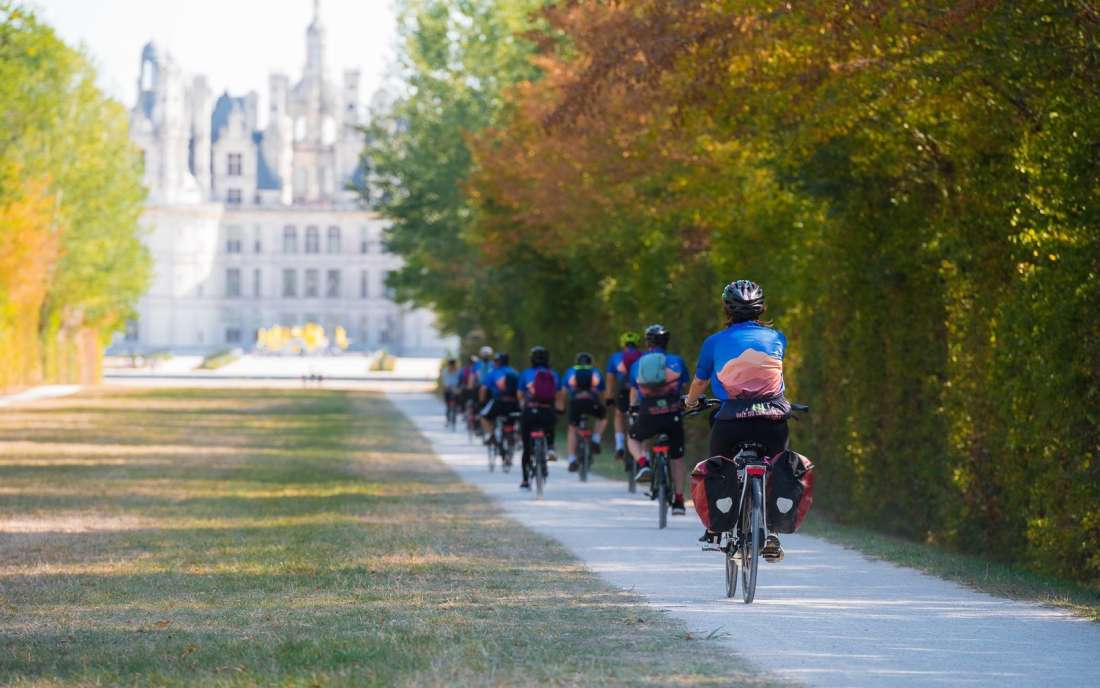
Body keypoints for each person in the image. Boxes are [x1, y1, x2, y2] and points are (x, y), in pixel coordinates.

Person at [684, 279, 790, 561]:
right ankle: (773, 532)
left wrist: (690, 401)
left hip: (731, 420)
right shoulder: (778, 338)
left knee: (717, 466)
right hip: (773, 417)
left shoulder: (714, 342)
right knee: (777, 465)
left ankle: (717, 530)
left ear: (726, 310)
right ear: (762, 308)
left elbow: (701, 381)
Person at [628, 324, 690, 515]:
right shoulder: (677, 361)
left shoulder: (638, 364)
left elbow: (634, 392)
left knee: (633, 437)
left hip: (648, 411)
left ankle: (643, 464)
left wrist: (633, 410)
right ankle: (679, 500)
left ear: (648, 343)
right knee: (677, 457)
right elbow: (685, 387)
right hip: (672, 411)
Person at [517, 346, 560, 490]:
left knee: (526, 448)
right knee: (550, 425)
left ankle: (525, 481)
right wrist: (559, 408)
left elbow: (519, 395)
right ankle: (551, 447)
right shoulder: (552, 373)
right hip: (547, 412)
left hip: (529, 412)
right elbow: (558, 394)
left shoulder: (525, 374)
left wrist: (523, 405)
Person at [561, 352, 608, 472]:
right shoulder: (595, 371)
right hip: (591, 403)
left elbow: (564, 391)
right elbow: (602, 391)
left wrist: (563, 405)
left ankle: (571, 459)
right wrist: (602, 405)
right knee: (603, 418)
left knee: (572, 428)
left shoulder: (571, 371)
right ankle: (596, 439)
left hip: (576, 403)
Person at [605, 331, 643, 462]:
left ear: (623, 344)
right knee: (641, 415)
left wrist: (609, 396)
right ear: (638, 344)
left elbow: (610, 379)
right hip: (639, 389)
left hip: (623, 389)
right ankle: (644, 452)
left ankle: (620, 445)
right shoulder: (643, 355)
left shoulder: (616, 357)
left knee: (619, 414)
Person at [479, 352, 521, 442]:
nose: (493, 363)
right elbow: (520, 390)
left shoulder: (493, 372)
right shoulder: (514, 372)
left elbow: (483, 389)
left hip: (498, 403)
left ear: (498, 362)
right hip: (513, 404)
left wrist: (482, 402)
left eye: (495, 361)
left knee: (483, 416)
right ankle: (517, 437)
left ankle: (490, 434)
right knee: (518, 418)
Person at [441, 358, 461, 423]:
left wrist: (458, 388)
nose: (452, 366)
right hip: (448, 389)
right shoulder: (445, 371)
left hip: (455, 388)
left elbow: (459, 380)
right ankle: (448, 418)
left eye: (453, 364)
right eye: (451, 364)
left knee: (457, 400)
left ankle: (457, 409)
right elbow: (445, 382)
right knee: (448, 405)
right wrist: (447, 387)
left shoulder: (458, 371)